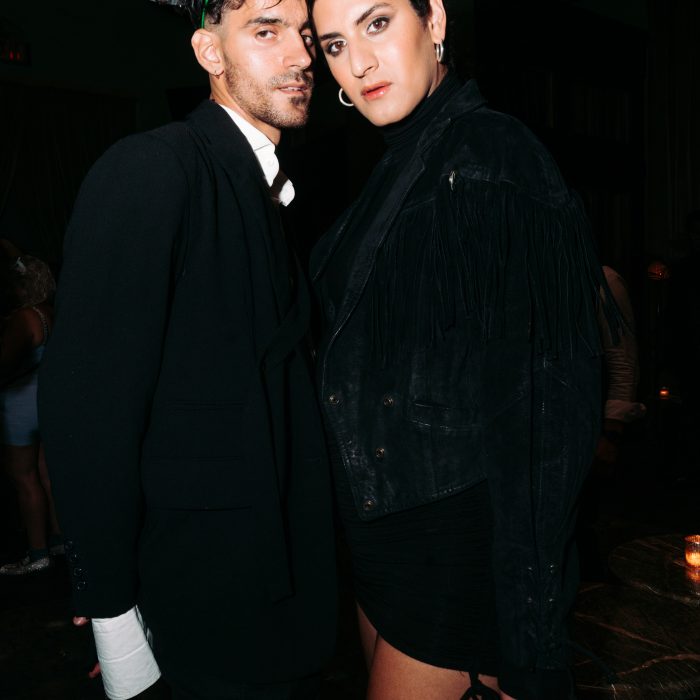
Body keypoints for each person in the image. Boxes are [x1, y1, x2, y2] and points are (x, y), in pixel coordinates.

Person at [307, 0, 617, 698]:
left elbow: (545, 411)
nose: (359, 62)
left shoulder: (491, 153)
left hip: (457, 550)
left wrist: (531, 627)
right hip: (382, 535)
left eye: (377, 23)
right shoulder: (398, 166)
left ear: (436, 21)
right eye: (334, 44)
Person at [38, 1, 336, 698]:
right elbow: (89, 406)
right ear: (209, 52)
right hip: (197, 597)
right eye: (266, 30)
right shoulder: (154, 168)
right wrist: (114, 614)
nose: (301, 58)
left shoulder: (266, 188)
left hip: (272, 592)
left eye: (304, 35)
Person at [0, 248, 63, 575]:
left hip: (19, 407)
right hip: (46, 401)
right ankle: (59, 539)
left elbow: (4, 365)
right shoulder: (50, 311)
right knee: (48, 476)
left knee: (24, 480)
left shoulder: (24, 318)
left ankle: (38, 552)